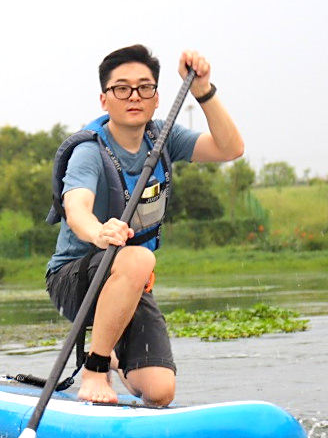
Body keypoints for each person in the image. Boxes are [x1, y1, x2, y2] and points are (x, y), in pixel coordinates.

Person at [45, 44, 244, 407]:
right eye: (122, 88)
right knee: (138, 258)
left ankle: (112, 353)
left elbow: (229, 149)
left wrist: (203, 91)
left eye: (144, 87)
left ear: (156, 99)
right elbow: (76, 209)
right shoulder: (89, 151)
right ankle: (95, 370)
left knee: (160, 391)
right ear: (104, 100)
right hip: (74, 280)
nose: (134, 96)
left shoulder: (163, 138)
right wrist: (99, 232)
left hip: (130, 282)